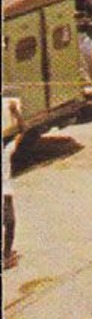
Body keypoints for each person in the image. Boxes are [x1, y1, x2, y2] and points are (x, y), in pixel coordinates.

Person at [2, 90, 19, 269]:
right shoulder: (7, 150)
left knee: (9, 222)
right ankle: (6, 256)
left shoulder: (6, 151)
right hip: (5, 194)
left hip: (5, 192)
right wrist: (16, 113)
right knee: (10, 222)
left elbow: (22, 131)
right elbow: (22, 130)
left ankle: (7, 255)